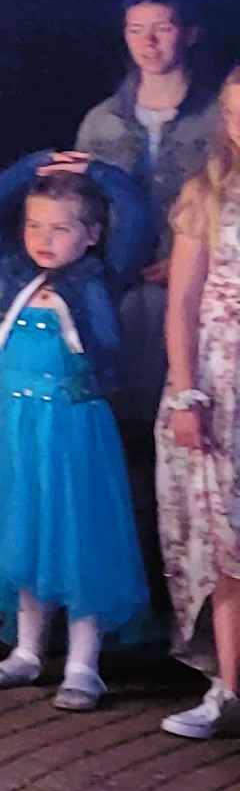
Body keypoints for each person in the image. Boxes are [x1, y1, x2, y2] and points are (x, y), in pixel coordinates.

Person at [0, 153, 155, 712]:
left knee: (79, 539)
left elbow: (137, 215)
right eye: (34, 225)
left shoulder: (101, 278)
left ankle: (83, 666)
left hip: (73, 428)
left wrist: (95, 171)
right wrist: (36, 166)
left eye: (61, 228)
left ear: (92, 235)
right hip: (13, 425)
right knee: (23, 533)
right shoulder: (11, 271)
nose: (44, 239)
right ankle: (26, 650)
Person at [70, 0, 216, 413]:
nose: (148, 42)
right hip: (117, 285)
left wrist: (186, 259)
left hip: (200, 283)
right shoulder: (102, 121)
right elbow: (80, 204)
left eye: (162, 28)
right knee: (115, 403)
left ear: (189, 33)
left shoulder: (217, 118)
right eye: (136, 30)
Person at [157, 62, 240, 740]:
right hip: (219, 384)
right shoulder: (208, 194)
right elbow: (182, 304)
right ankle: (229, 689)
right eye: (235, 114)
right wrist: (186, 393)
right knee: (222, 544)